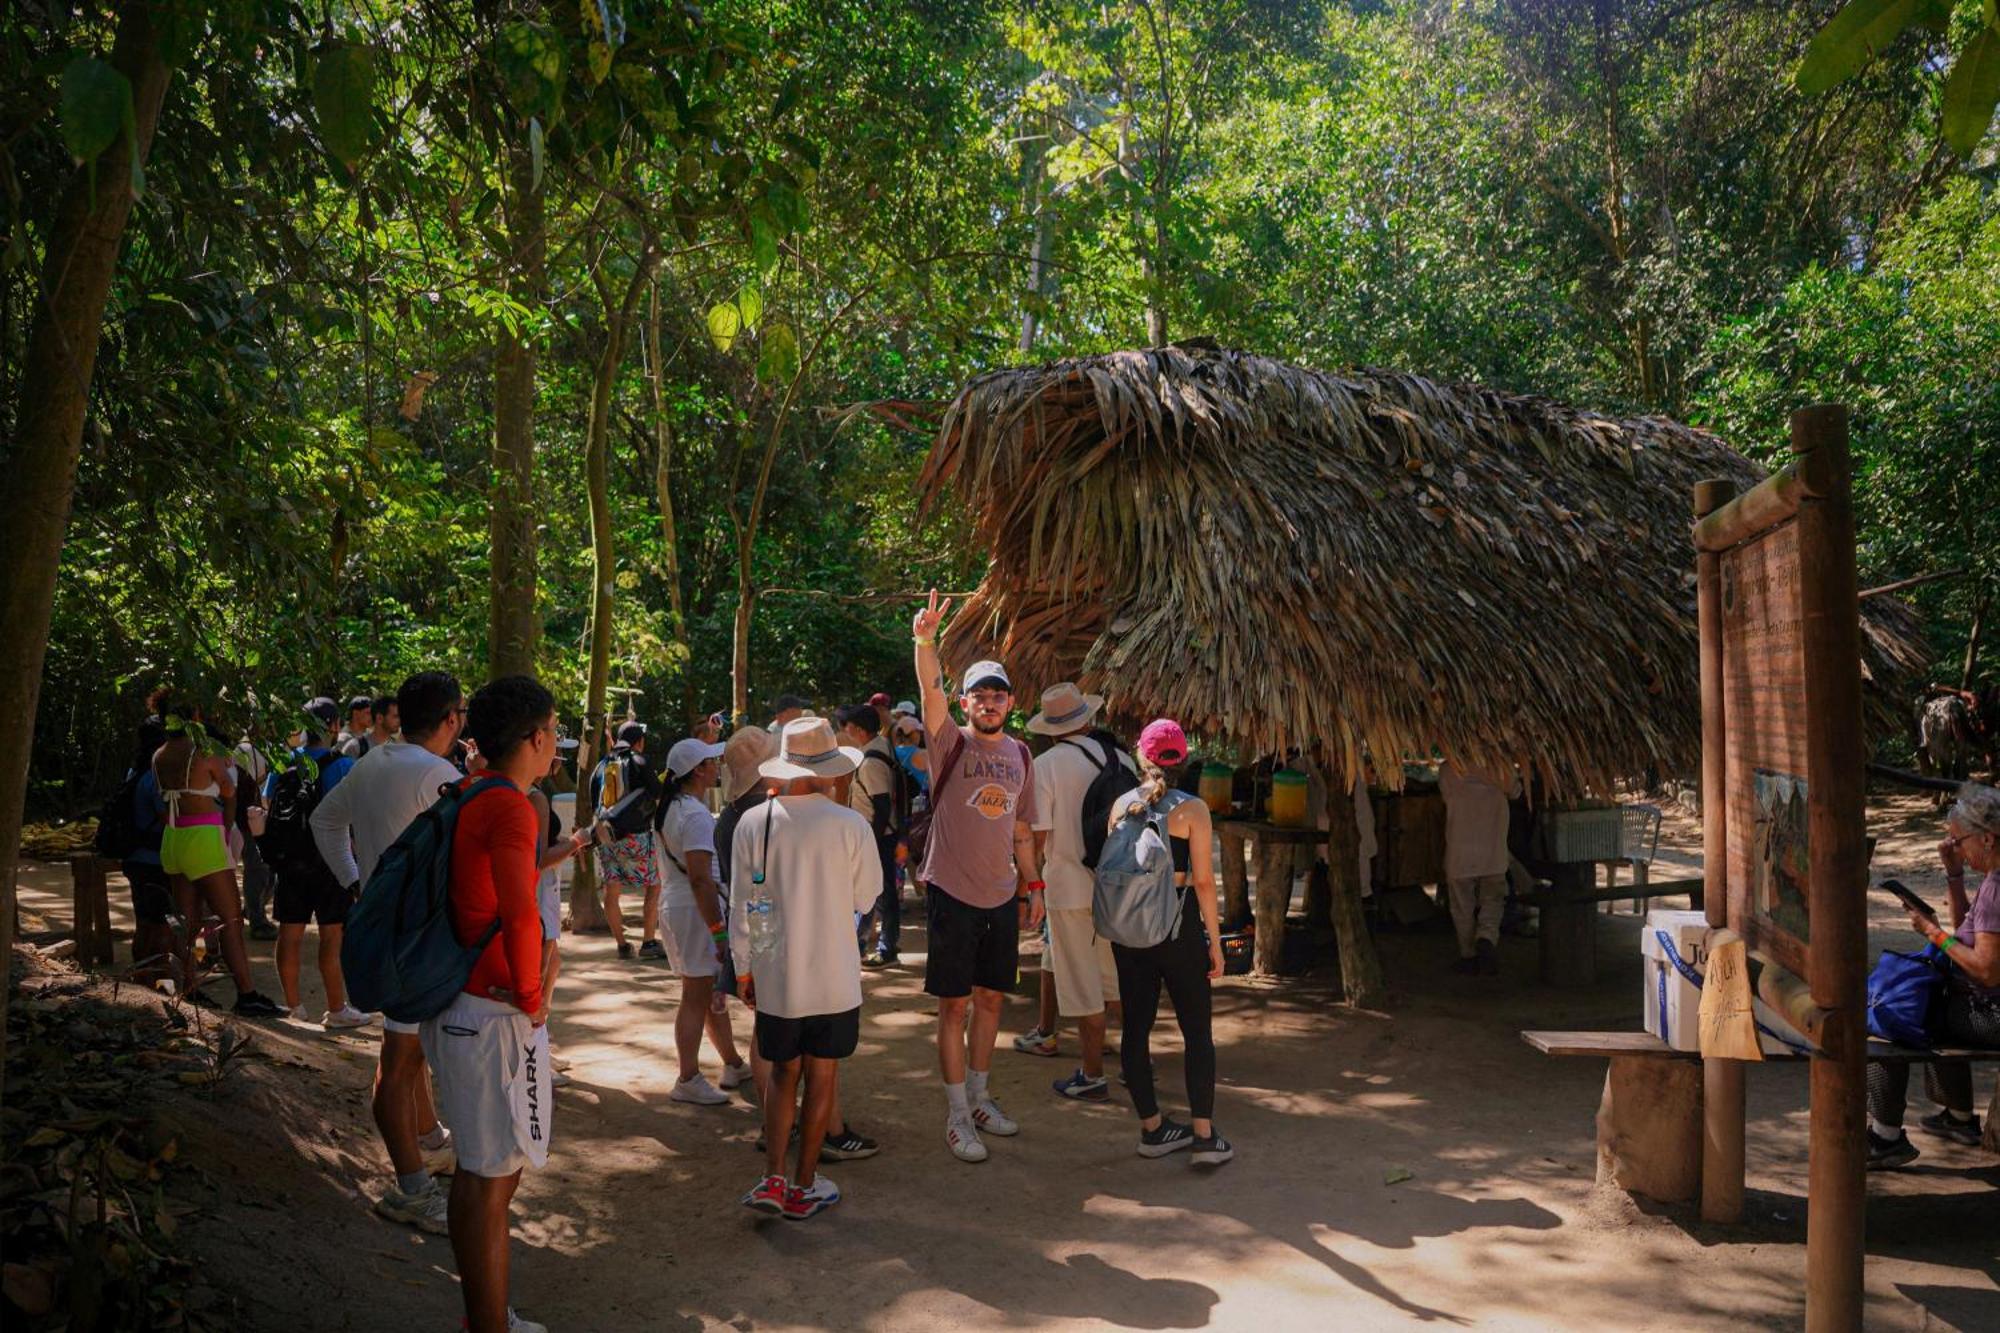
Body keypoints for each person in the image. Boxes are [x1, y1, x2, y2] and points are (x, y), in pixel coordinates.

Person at [309, 672, 466, 1233]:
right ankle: (412, 1187)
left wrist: (357, 880)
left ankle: (429, 1141)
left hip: (388, 926)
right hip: (415, 936)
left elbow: (324, 820)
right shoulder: (439, 775)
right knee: (397, 1064)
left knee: (409, 1049)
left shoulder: (373, 760)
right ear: (451, 719)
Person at [421, 675, 556, 1333]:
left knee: (477, 1175)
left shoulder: (474, 790)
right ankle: (488, 1324)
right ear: (534, 737)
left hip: (460, 1002)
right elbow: (520, 911)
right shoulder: (510, 806)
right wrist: (533, 997)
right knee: (490, 1180)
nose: (556, 742)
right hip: (489, 1009)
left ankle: (485, 1316)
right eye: (554, 730)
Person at [911, 590, 1045, 1163]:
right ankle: (957, 1113)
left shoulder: (1020, 753)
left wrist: (1032, 885)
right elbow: (929, 691)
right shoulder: (949, 742)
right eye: (979, 694)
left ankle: (982, 1096)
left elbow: (1020, 829)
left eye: (998, 693)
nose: (989, 702)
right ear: (965, 702)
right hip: (951, 891)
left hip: (999, 897)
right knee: (955, 1006)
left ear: (1011, 701)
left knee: (991, 999)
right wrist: (925, 642)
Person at [734, 717, 882, 1220]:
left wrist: (743, 970)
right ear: (831, 769)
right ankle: (803, 1185)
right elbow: (867, 897)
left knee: (782, 1074)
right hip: (836, 978)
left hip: (777, 976)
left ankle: (773, 1176)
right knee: (823, 1077)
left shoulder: (756, 821)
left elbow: (740, 906)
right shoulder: (851, 825)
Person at [1109, 719, 1233, 1166]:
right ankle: (1203, 1137)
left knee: (1135, 1029)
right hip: (1178, 929)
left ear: (1141, 757)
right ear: (1182, 760)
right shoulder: (1193, 809)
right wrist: (1215, 943)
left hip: (1129, 931)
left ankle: (1152, 1129)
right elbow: (1202, 881)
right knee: (1197, 1031)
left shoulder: (1121, 805)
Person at [1868, 782, 2000, 1169]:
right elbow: (1967, 935)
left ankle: (1885, 1136)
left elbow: (1986, 971)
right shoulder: (1992, 879)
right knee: (1931, 996)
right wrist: (1954, 875)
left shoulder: (1996, 889)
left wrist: (1932, 934)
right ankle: (1958, 1117)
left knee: (1893, 1015)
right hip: (1987, 1006)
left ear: (1988, 838)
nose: (1953, 847)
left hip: (1991, 1014)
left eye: (1958, 842)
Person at [1024, 683, 1132, 1099]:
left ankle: (1092, 1074)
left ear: (1052, 728)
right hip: (1118, 887)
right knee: (1115, 980)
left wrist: (1029, 885)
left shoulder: (1046, 765)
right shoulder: (1121, 759)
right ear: (1086, 719)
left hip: (1068, 887)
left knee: (1082, 984)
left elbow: (1038, 834)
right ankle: (1136, 1062)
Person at [148, 702, 286, 1015]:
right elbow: (227, 788)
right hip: (204, 838)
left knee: (187, 921)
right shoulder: (203, 752)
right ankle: (247, 994)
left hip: (173, 838)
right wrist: (223, 827)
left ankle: (188, 989)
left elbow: (161, 801)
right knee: (231, 920)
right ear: (194, 717)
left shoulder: (158, 755)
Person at [655, 736, 754, 1104]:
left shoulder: (673, 808)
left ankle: (732, 1062)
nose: (717, 766)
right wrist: (718, 932)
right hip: (694, 912)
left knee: (705, 992)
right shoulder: (694, 814)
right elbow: (700, 878)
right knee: (696, 997)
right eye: (712, 761)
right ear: (698, 770)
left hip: (678, 907)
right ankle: (688, 1077)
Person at [269, 703, 366, 1028]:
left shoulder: (284, 764)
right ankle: (336, 1009)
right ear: (334, 724)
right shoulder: (344, 766)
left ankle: (293, 1007)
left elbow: (271, 806)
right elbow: (354, 817)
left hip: (290, 860)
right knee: (331, 934)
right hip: (329, 861)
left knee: (290, 932)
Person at [528, 740, 591, 1091]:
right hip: (539, 895)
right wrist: (578, 842)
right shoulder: (533, 796)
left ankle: (540, 1046)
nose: (557, 760)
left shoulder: (536, 791)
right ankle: (533, 1057)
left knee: (551, 965)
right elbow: (539, 858)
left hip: (546, 895)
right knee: (540, 971)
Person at [588, 721, 665, 961]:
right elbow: (656, 791)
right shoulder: (639, 761)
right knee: (654, 885)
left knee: (612, 890)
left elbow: (593, 802)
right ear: (639, 741)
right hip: (637, 837)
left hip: (607, 837)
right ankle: (649, 942)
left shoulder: (601, 766)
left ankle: (622, 945)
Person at [836, 704, 902, 968]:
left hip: (877, 837)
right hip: (878, 836)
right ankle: (860, 944)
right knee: (876, 892)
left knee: (880, 892)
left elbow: (882, 804)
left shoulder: (871, 760)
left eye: (848, 728)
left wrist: (870, 842)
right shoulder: (879, 748)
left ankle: (886, 949)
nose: (846, 733)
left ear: (859, 730)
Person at [1437, 760, 1515, 976]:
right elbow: (1515, 790)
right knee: (1493, 899)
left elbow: (1445, 795)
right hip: (1492, 848)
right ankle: (1486, 937)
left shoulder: (1447, 769)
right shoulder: (1499, 766)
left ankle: (1468, 954)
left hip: (1459, 849)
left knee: (1462, 907)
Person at [118, 717, 177, 980]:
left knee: (144, 921)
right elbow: (168, 819)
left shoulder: (133, 771)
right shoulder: (155, 776)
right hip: (154, 858)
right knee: (162, 923)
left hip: (135, 857)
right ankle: (160, 977)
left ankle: (141, 972)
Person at [233, 724, 278, 939]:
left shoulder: (266, 748)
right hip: (249, 819)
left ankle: (253, 909)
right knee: (257, 870)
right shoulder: (244, 750)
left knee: (268, 873)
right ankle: (257, 920)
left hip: (260, 818)